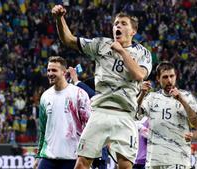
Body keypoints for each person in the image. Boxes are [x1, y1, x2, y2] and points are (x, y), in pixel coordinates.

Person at [52, 5, 152, 169]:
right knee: (81, 164)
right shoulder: (101, 45)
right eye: (116, 23)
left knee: (125, 166)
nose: (117, 26)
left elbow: (139, 75)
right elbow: (68, 39)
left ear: (133, 31)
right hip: (100, 112)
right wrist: (59, 19)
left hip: (125, 114)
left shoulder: (143, 53)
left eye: (123, 23)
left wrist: (122, 52)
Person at [138, 62, 197, 169]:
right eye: (165, 77)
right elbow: (135, 114)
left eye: (172, 76)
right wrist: (142, 94)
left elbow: (196, 123)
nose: (169, 80)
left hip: (178, 159)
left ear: (176, 76)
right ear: (158, 78)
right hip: (154, 160)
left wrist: (181, 99)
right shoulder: (151, 98)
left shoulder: (187, 96)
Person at [34, 56, 91, 169]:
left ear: (64, 72)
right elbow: (43, 130)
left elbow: (89, 127)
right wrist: (38, 156)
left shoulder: (79, 94)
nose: (50, 73)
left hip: (72, 157)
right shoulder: (45, 96)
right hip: (48, 157)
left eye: (54, 70)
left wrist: (88, 157)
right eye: (48, 70)